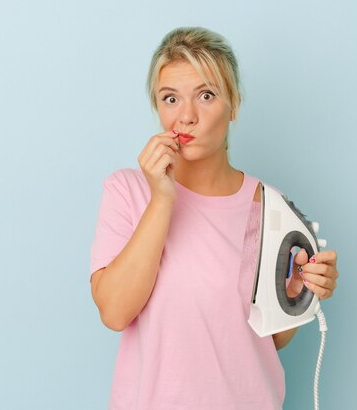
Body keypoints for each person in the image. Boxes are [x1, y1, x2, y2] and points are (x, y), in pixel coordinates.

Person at [89, 26, 339, 410]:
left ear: (233, 103)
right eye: (170, 98)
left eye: (206, 95)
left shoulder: (270, 206)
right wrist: (161, 200)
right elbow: (115, 311)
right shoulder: (127, 192)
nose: (185, 116)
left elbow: (267, 341)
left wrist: (296, 293)